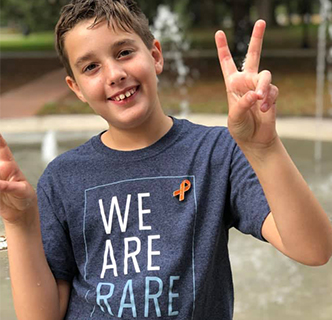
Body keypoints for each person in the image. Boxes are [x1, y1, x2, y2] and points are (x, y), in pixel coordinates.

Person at [0, 0, 331, 319]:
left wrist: (264, 148)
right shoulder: (62, 178)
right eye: (91, 67)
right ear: (77, 88)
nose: (114, 74)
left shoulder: (217, 152)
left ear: (155, 55)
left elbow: (314, 249)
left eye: (124, 52)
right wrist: (19, 223)